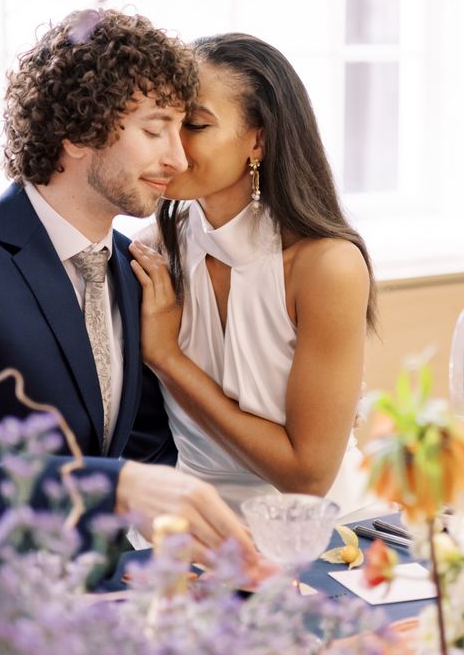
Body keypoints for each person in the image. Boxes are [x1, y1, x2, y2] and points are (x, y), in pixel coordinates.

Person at [0, 9, 259, 566]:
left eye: (182, 131)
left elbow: (140, 443)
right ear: (77, 133)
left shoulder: (137, 273)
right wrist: (115, 486)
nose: (178, 159)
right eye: (155, 129)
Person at [129, 33, 377, 516]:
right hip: (194, 534)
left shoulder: (326, 265)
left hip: (324, 535)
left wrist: (168, 358)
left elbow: (306, 476)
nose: (172, 149)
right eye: (165, 124)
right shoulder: (153, 248)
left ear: (258, 138)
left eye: (195, 124)